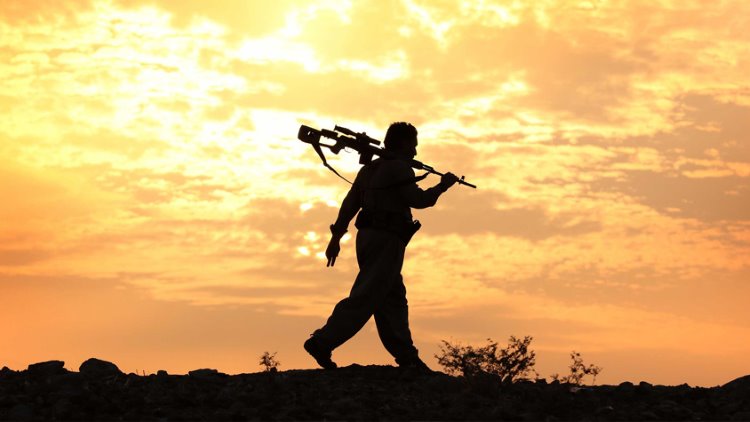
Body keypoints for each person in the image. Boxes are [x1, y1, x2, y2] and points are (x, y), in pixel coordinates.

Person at [303, 122, 459, 371]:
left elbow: (349, 204)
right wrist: (442, 186)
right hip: (386, 239)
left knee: (393, 298)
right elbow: (418, 200)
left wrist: (336, 238)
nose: (415, 152)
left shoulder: (371, 169)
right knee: (366, 296)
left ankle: (407, 357)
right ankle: (323, 341)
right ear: (404, 143)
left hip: (367, 239)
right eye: (413, 145)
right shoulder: (399, 168)